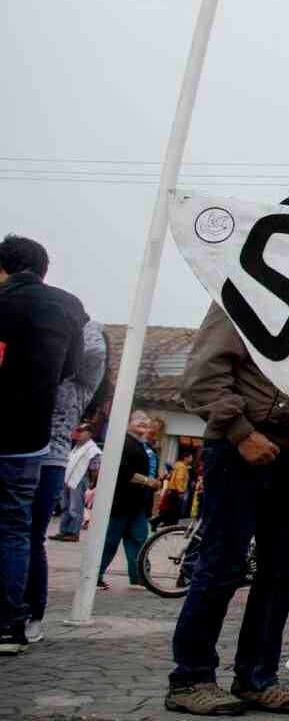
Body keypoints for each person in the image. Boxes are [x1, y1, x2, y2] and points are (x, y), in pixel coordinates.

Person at [164, 194, 289, 716]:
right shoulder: (241, 293)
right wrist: (238, 430)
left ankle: (256, 677)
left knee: (282, 568)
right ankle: (190, 679)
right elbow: (202, 378)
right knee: (222, 564)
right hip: (242, 448)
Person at [0, 234, 81, 655]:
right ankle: (16, 622)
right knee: (20, 531)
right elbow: (72, 368)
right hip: (36, 438)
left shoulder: (5, 302)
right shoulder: (69, 308)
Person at [24, 318, 104, 639]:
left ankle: (30, 613)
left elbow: (95, 352)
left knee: (30, 539)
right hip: (15, 454)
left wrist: (69, 319)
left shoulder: (77, 382)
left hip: (48, 461)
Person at [96, 410, 160, 590]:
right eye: (138, 419)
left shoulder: (147, 446)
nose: (143, 422)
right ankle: (94, 575)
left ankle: (140, 576)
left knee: (139, 539)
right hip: (120, 500)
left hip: (139, 502)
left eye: (146, 419)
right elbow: (121, 470)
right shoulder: (122, 442)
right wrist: (147, 480)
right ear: (128, 422)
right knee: (110, 540)